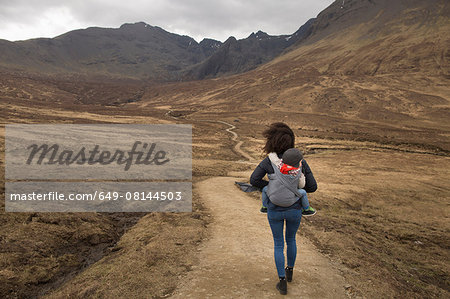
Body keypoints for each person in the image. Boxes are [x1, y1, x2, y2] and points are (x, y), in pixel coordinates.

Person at [250, 122, 317, 295]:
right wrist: (293, 190)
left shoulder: (268, 161)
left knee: (278, 244)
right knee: (291, 240)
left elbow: (254, 180)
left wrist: (272, 188)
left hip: (274, 209)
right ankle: (290, 272)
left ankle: (282, 282)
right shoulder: (299, 161)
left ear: (271, 141)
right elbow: (312, 187)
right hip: (295, 210)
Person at [261, 150, 316, 216]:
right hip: (289, 201)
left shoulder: (279, 167)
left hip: (274, 199)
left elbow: (273, 159)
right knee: (303, 192)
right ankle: (307, 209)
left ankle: (265, 207)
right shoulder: (298, 173)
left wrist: (273, 151)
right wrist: (303, 177)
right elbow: (301, 186)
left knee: (264, 189)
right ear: (298, 163)